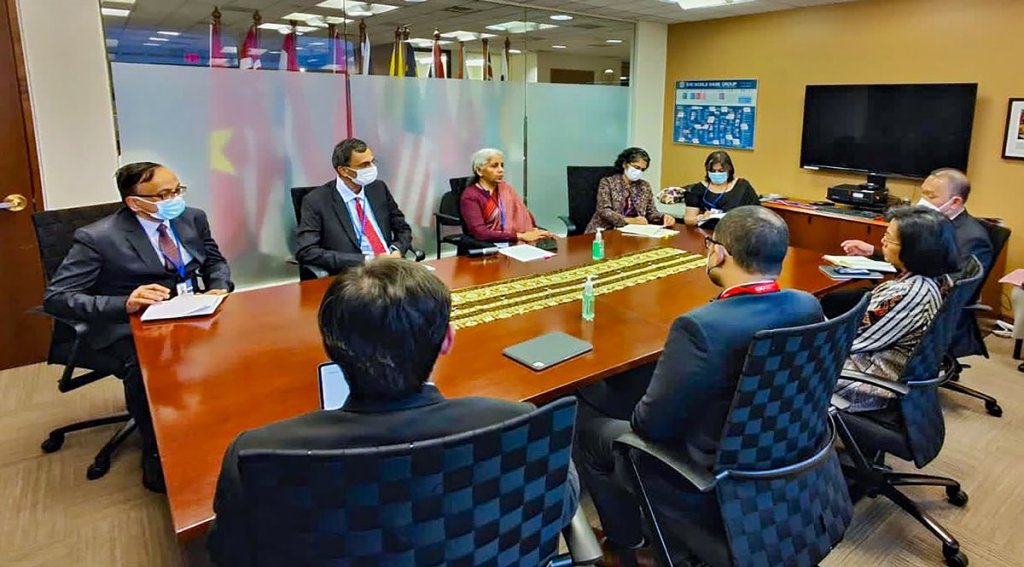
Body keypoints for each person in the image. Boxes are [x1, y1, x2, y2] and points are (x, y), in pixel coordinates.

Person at [207, 258, 580, 566]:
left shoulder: (256, 452)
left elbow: (231, 554)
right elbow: (559, 507)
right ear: (448, 340)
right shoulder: (517, 422)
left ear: (330, 348)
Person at [575, 206, 824, 562]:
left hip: (707, 468)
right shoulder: (807, 305)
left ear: (718, 253)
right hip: (779, 446)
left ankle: (627, 549)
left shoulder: (701, 326)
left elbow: (649, 426)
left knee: (592, 431)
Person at [43, 162, 233, 493]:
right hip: (129, 324)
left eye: (177, 190)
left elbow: (215, 261)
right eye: (163, 195)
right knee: (147, 365)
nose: (174, 199)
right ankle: (155, 447)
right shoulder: (98, 238)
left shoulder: (192, 218)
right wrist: (125, 303)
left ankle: (218, 426)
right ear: (134, 202)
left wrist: (218, 287)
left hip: (192, 310)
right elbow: (57, 298)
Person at [838, 168, 992, 356]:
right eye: (923, 193)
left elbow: (950, 290)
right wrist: (874, 251)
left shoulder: (972, 237)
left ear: (955, 202)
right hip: (906, 298)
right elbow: (916, 255)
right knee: (838, 300)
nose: (923, 201)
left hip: (917, 316)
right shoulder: (934, 226)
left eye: (931, 196)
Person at [834, 207, 960, 412]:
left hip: (869, 381)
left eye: (888, 238)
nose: (882, 242)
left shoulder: (906, 293)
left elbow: (849, 341)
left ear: (915, 250)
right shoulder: (939, 279)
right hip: (886, 366)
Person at [295, 138, 413, 274]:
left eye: (372, 162)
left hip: (392, 267)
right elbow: (307, 251)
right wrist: (368, 260)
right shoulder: (316, 201)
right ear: (344, 171)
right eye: (364, 165)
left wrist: (396, 251)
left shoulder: (378, 188)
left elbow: (403, 228)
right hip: (354, 273)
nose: (371, 168)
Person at [459, 148, 553, 243]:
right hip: (490, 245)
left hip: (515, 241)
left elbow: (524, 217)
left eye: (502, 165)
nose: (501, 170)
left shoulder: (506, 189)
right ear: (479, 171)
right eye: (494, 166)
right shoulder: (471, 196)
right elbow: (481, 233)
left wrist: (534, 231)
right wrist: (519, 236)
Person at [584, 147, 675, 233]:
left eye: (642, 169)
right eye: (636, 167)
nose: (639, 172)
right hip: (604, 231)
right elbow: (604, 211)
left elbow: (651, 212)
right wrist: (629, 220)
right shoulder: (608, 182)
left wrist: (663, 217)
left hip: (634, 232)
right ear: (624, 164)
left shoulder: (644, 186)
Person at [682, 150, 760, 226]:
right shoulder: (698, 188)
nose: (717, 174)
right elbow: (688, 219)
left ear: (729, 170)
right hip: (708, 230)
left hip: (736, 229)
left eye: (721, 171)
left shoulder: (742, 186)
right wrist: (701, 217)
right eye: (713, 171)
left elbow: (757, 212)